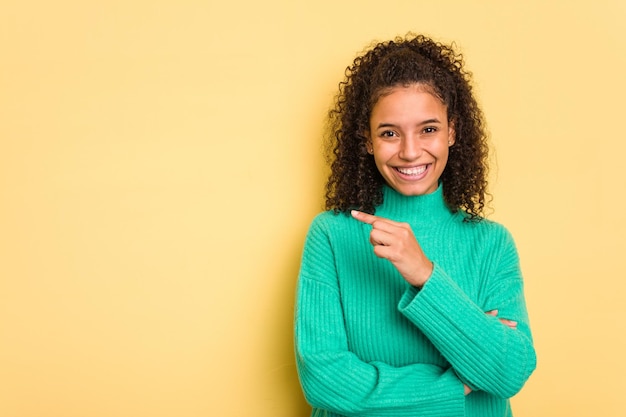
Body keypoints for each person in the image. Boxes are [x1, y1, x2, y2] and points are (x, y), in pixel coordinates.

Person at [294, 33, 537, 417]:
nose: (409, 151)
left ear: (452, 131)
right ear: (367, 139)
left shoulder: (491, 243)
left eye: (428, 129)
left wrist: (424, 274)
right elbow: (324, 379)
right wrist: (454, 384)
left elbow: (508, 373)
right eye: (389, 133)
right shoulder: (331, 234)